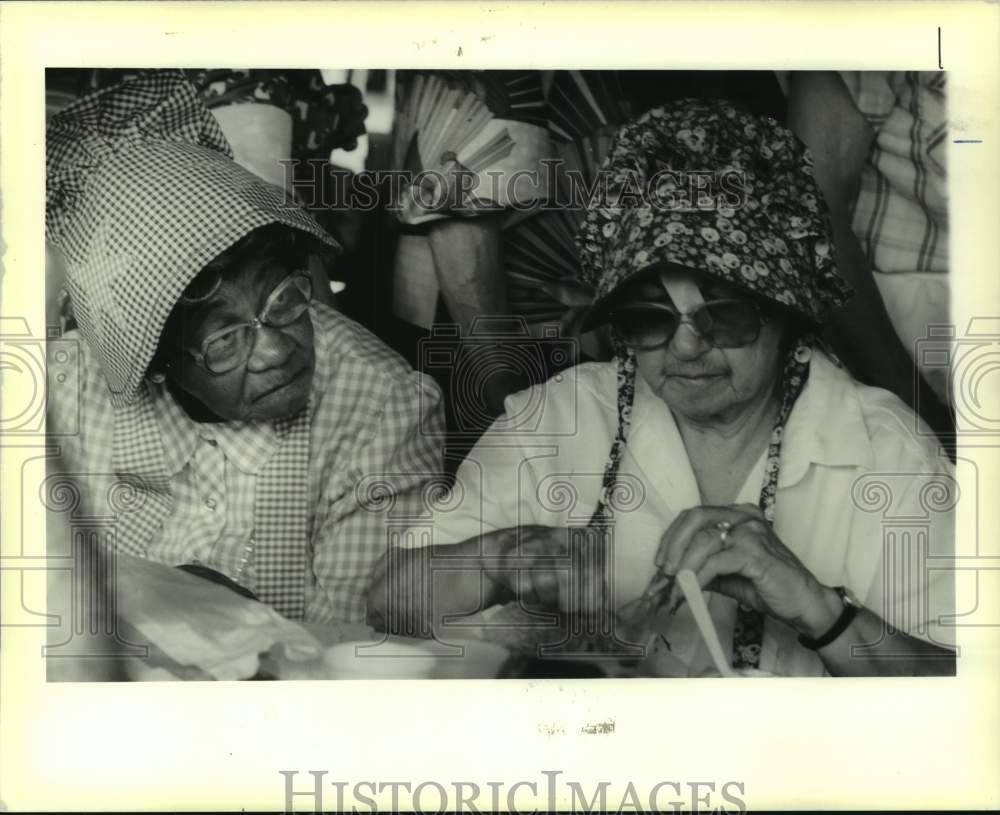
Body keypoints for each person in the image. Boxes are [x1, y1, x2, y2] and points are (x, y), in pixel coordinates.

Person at [366, 100, 957, 677]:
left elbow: (973, 702)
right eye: (648, 320)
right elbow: (387, 598)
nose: (685, 347)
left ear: (786, 311)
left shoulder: (884, 450)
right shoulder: (557, 419)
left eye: (722, 316)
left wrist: (820, 608)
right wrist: (494, 560)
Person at [45, 72, 444, 624]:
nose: (277, 352)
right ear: (156, 362)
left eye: (284, 299)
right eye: (226, 339)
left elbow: (359, 644)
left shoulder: (384, 403)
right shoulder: (64, 388)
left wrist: (212, 609)